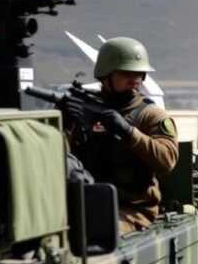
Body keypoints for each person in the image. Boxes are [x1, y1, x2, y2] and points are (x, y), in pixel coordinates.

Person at [64, 37, 179, 234]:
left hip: (132, 211)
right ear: (106, 75)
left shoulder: (150, 115)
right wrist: (65, 121)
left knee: (95, 231)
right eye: (126, 73)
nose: (135, 79)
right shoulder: (84, 109)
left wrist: (128, 132)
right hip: (81, 203)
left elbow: (166, 160)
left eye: (139, 73)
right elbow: (52, 156)